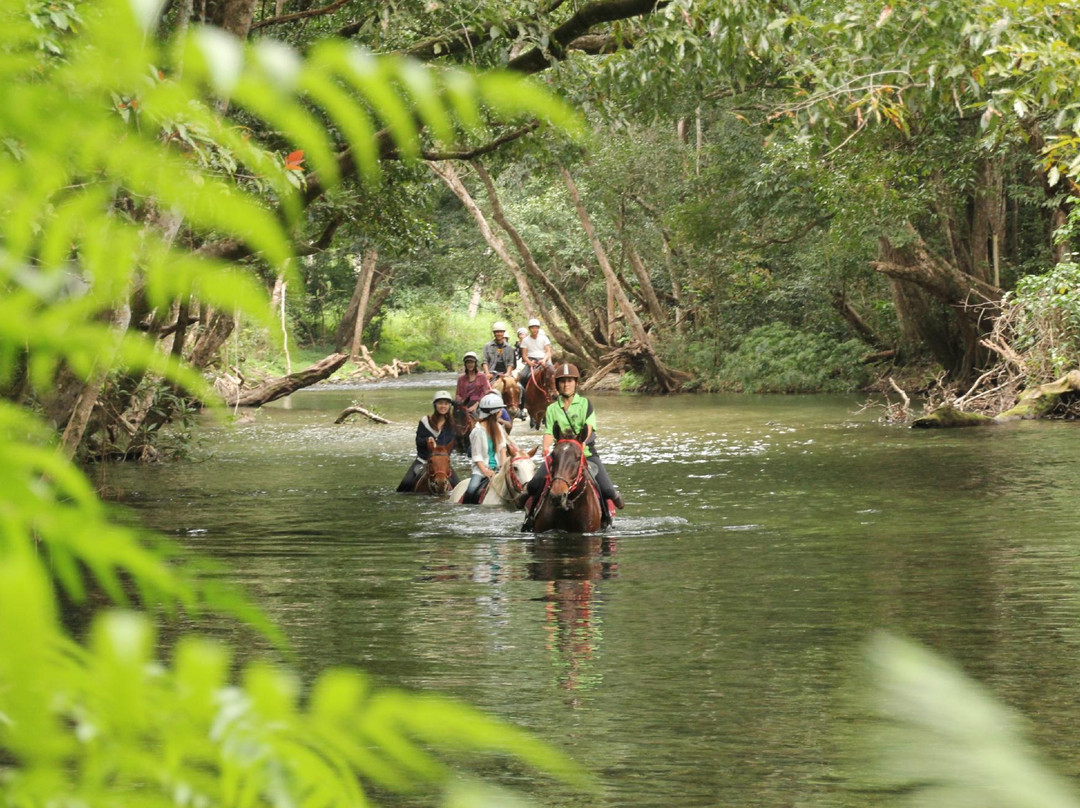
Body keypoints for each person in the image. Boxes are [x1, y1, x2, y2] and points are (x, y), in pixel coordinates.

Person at [517, 363, 624, 511]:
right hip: (561, 454)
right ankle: (531, 516)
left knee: (608, 490)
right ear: (558, 384)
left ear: (576, 383)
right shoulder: (552, 409)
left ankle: (606, 518)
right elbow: (549, 432)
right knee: (534, 485)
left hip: (585, 452)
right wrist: (546, 447)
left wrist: (583, 442)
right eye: (562, 381)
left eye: (569, 381)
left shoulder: (585, 404)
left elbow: (589, 428)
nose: (566, 384)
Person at [396, 390, 460, 492]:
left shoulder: (452, 425)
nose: (443, 406)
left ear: (449, 406)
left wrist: (440, 453)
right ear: (435, 405)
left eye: (446, 404)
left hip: (441, 463)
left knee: (458, 486)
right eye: (440, 403)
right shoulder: (425, 421)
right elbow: (418, 441)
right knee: (405, 484)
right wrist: (427, 441)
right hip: (423, 460)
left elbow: (452, 445)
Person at [463, 393, 520, 504]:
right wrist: (485, 471)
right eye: (499, 411)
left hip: (498, 468)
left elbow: (502, 449)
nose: (501, 413)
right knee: (471, 490)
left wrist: (503, 467)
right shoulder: (477, 431)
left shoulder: (498, 427)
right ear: (493, 413)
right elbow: (477, 456)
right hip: (481, 470)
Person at [518, 317, 553, 400]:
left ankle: (557, 394)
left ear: (538, 328)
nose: (534, 330)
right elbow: (524, 355)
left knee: (553, 374)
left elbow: (548, 351)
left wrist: (544, 360)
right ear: (529, 329)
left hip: (543, 359)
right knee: (522, 377)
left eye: (536, 327)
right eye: (532, 328)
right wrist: (529, 362)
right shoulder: (525, 340)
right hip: (531, 360)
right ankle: (524, 397)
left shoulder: (544, 338)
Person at [454, 351, 491, 417]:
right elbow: (458, 394)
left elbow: (485, 392)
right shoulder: (461, 378)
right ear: (465, 364)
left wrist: (476, 405)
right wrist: (460, 403)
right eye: (468, 362)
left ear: (475, 363)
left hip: (479, 404)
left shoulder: (482, 376)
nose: (470, 364)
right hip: (465, 403)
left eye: (472, 362)